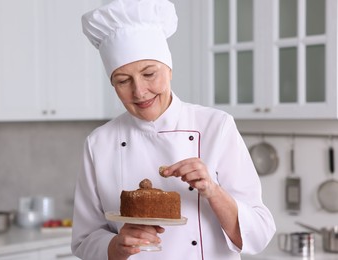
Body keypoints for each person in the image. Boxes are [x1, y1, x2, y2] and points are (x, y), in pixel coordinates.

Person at [71, 0, 276, 259]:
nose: (139, 91)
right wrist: (114, 247)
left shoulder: (216, 126)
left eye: (149, 74)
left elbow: (259, 234)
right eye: (123, 81)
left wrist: (212, 190)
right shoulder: (99, 143)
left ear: (169, 70)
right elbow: (84, 240)